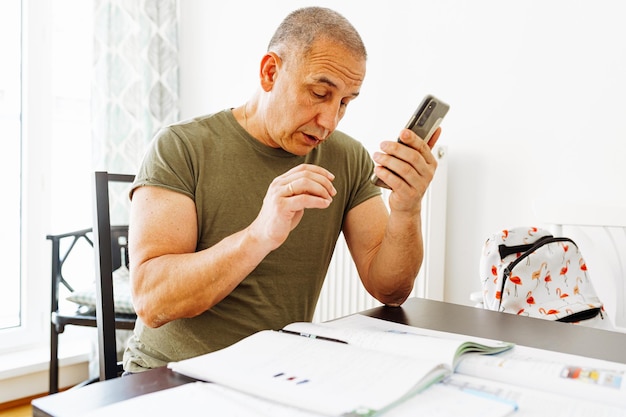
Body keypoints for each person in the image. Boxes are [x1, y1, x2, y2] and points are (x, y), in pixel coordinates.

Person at [123, 6, 441, 372]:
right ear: (270, 72)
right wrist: (259, 235)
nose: (330, 120)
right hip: (170, 375)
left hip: (277, 375)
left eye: (345, 103)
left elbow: (390, 289)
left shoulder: (347, 158)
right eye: (320, 93)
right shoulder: (181, 146)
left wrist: (407, 207)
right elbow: (152, 299)